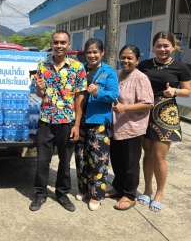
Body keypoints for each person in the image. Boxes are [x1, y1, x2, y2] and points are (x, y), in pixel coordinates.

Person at [30, 30, 87, 212]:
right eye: (56, 42)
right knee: (42, 160)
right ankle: (40, 194)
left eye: (63, 42)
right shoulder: (42, 66)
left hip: (67, 121)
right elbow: (40, 94)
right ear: (51, 44)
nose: (59, 46)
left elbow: (80, 97)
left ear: (69, 45)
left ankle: (62, 194)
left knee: (65, 160)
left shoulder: (77, 68)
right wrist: (39, 89)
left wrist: (77, 125)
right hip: (46, 120)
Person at [138, 31, 191, 212]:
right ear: (153, 47)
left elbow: (188, 91)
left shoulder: (180, 67)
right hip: (145, 112)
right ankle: (147, 189)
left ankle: (159, 193)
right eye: (158, 46)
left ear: (172, 46)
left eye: (166, 46)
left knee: (160, 157)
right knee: (148, 154)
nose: (162, 49)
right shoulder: (144, 65)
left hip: (166, 113)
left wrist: (175, 91)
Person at [107, 45, 153, 210]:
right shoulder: (116, 74)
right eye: (123, 57)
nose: (125, 61)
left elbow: (147, 104)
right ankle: (118, 188)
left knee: (131, 163)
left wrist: (125, 108)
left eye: (130, 58)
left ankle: (130, 194)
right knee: (117, 160)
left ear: (137, 60)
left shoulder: (141, 78)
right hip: (115, 126)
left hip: (132, 128)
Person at [74, 38, 118, 211]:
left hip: (99, 121)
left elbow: (113, 95)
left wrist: (98, 92)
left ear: (102, 53)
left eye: (95, 52)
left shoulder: (108, 72)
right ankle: (83, 189)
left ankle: (96, 195)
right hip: (80, 120)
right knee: (81, 157)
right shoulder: (81, 70)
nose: (92, 55)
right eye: (89, 52)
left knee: (98, 160)